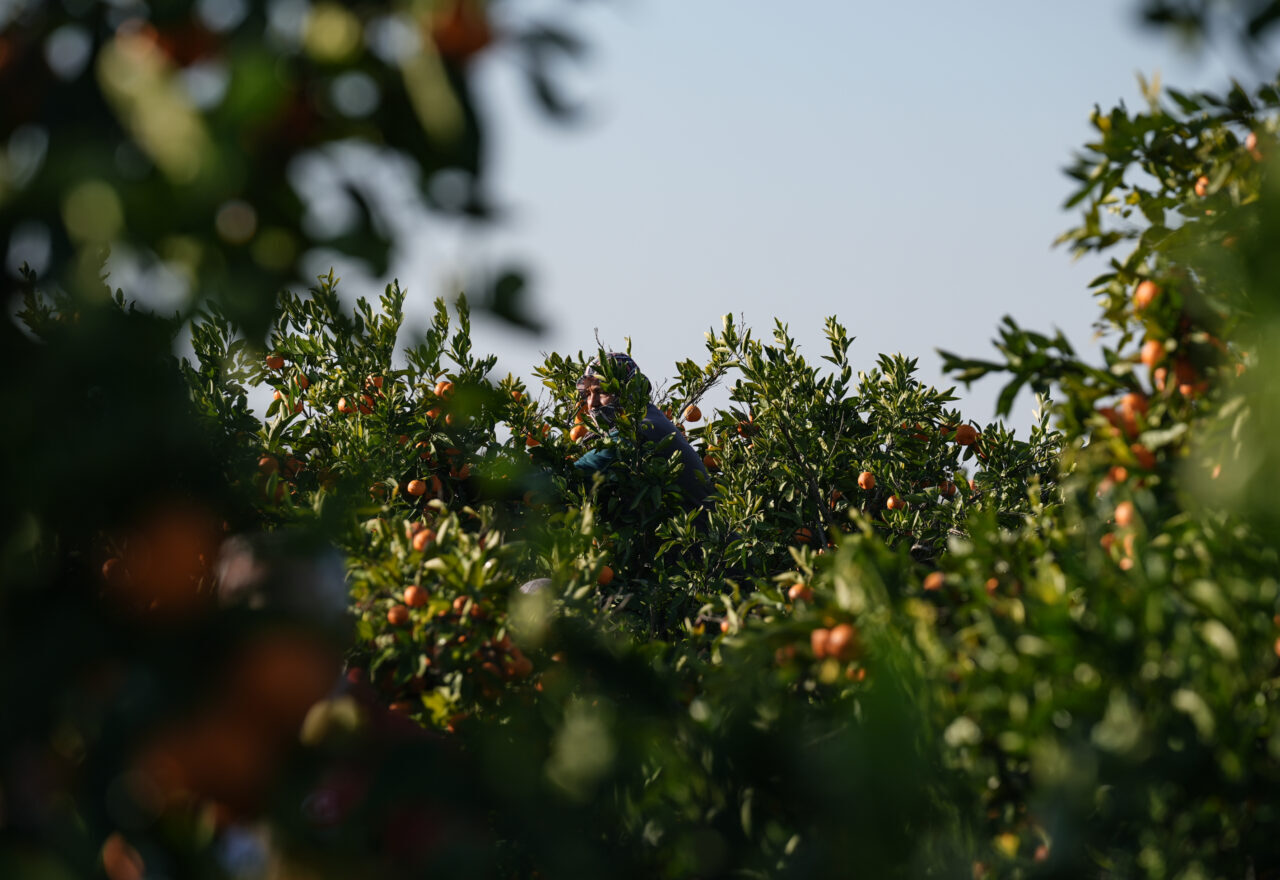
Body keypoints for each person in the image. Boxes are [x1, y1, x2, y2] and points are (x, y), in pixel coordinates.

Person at [572, 352, 712, 512]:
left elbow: (585, 471)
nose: (592, 404)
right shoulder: (650, 418)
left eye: (602, 392)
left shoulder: (643, 428)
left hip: (701, 535)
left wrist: (541, 480)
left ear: (629, 390)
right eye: (587, 394)